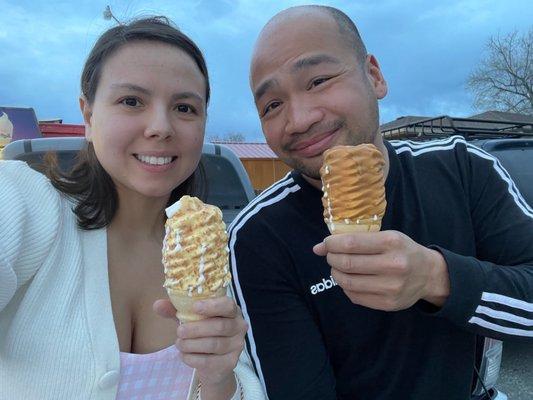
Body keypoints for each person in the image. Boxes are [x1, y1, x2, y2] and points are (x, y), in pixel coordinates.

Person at [229, 5, 533, 400]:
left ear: (373, 75)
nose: (299, 119)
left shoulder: (461, 169)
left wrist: (436, 278)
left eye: (319, 80)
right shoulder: (258, 236)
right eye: (272, 105)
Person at [0, 17, 264, 400]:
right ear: (88, 116)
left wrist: (219, 379)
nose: (161, 126)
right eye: (131, 101)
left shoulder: (217, 262)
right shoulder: (26, 204)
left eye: (185, 108)